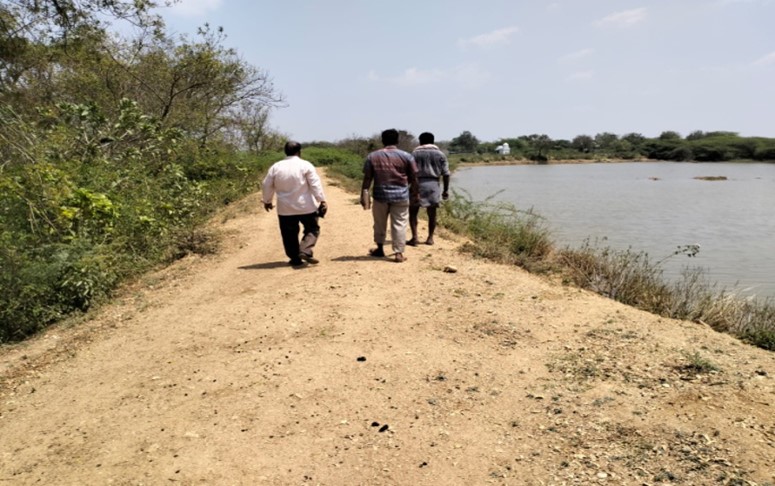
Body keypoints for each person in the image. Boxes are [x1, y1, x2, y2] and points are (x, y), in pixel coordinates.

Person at [262, 141, 328, 266]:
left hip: (285, 208)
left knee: (288, 234)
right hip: (306, 207)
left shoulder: (276, 167)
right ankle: (305, 250)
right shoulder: (305, 165)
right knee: (312, 229)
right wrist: (321, 200)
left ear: (285, 152)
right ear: (299, 152)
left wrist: (267, 201)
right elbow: (315, 184)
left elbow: (266, 184)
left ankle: (295, 258)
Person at [361, 128, 419, 263]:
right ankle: (398, 253)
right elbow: (414, 177)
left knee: (379, 223)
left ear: (382, 140)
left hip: (380, 196)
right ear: (397, 140)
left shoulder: (373, 156)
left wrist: (363, 194)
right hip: (401, 196)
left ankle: (380, 249)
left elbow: (367, 178)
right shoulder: (406, 156)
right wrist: (415, 193)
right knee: (399, 224)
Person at [408, 132, 450, 246]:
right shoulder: (440, 154)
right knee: (432, 213)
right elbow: (446, 174)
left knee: (413, 211)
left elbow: (409, 172)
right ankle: (430, 238)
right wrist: (445, 190)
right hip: (433, 184)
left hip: (417, 183)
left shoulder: (414, 154)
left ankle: (415, 237)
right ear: (433, 141)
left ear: (420, 141)